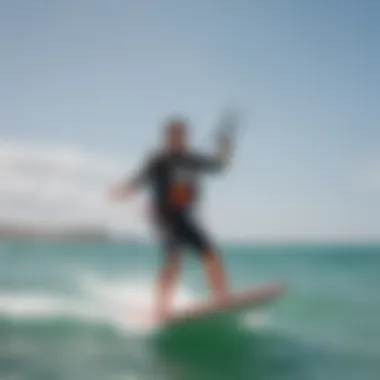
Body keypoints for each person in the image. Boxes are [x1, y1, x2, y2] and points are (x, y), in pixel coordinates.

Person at [108, 116, 235, 320]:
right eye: (172, 135)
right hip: (164, 218)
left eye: (181, 135)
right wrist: (121, 191)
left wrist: (225, 145)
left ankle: (222, 297)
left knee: (211, 254)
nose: (177, 139)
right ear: (166, 138)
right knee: (174, 259)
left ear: (186, 137)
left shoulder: (192, 159)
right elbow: (138, 180)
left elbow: (220, 166)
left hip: (185, 218)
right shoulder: (159, 161)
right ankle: (161, 307)